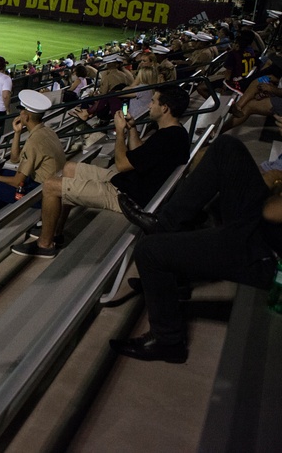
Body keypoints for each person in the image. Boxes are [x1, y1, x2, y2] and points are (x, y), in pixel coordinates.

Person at [112, 134, 282, 362]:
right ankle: (164, 225)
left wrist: (276, 181)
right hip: (262, 229)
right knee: (226, 146)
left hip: (265, 253)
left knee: (148, 251)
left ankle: (167, 341)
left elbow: (271, 212)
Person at [14, 85, 190, 258]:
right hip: (128, 182)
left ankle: (45, 245)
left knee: (50, 186)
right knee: (69, 167)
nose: (149, 105)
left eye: (153, 102)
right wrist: (132, 129)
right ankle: (57, 232)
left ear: (165, 108)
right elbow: (139, 154)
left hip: (126, 196)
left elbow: (121, 163)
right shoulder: (175, 133)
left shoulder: (167, 138)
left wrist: (120, 132)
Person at [0, 90, 66, 229]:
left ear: (26, 116)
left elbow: (17, 182)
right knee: (2, 173)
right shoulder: (46, 131)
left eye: (21, 110)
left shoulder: (35, 141)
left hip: (41, 192)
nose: (19, 113)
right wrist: (17, 133)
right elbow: (15, 159)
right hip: (46, 185)